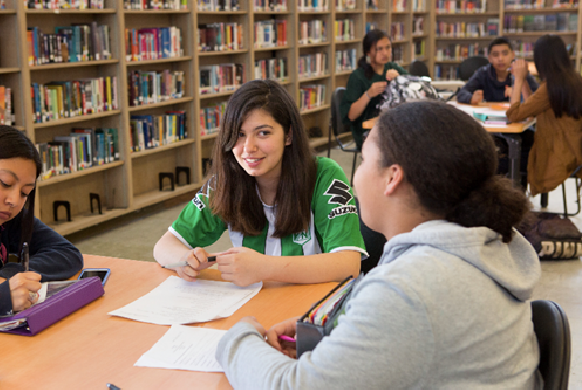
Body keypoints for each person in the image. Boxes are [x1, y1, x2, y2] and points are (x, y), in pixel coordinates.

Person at [216, 101, 541, 388]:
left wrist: (239, 336)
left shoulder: (411, 289)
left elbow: (292, 386)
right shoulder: (477, 245)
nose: (354, 176)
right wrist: (328, 333)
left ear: (392, 177)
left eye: (364, 161)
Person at [153, 80, 366, 287]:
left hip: (311, 308)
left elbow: (348, 264)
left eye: (263, 133)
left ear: (288, 135)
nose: (248, 148)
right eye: (239, 134)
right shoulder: (225, 182)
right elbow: (164, 246)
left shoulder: (324, 175)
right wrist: (185, 259)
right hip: (254, 303)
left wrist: (263, 268)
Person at [0, 125, 83, 317]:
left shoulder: (7, 217)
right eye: (5, 183)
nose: (13, 200)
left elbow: (67, 253)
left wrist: (8, 274)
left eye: (24, 193)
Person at [507, 34, 582, 197]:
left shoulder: (550, 86)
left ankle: (515, 201)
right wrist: (525, 81)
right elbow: (532, 110)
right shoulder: (573, 80)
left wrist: (518, 80)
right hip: (573, 149)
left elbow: (514, 115)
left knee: (509, 157)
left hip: (559, 153)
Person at [341, 30, 407, 149]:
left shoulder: (393, 68)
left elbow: (414, 88)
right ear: (368, 52)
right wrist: (368, 94)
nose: (385, 53)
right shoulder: (358, 76)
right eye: (379, 49)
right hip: (367, 132)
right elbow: (351, 115)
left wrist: (399, 79)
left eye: (388, 47)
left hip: (392, 125)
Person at [456, 37, 538, 105]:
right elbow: (462, 92)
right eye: (495, 55)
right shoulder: (483, 73)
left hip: (514, 116)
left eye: (505, 54)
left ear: (512, 55)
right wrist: (471, 98)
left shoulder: (520, 72)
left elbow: (537, 97)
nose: (500, 59)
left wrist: (519, 93)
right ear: (489, 58)